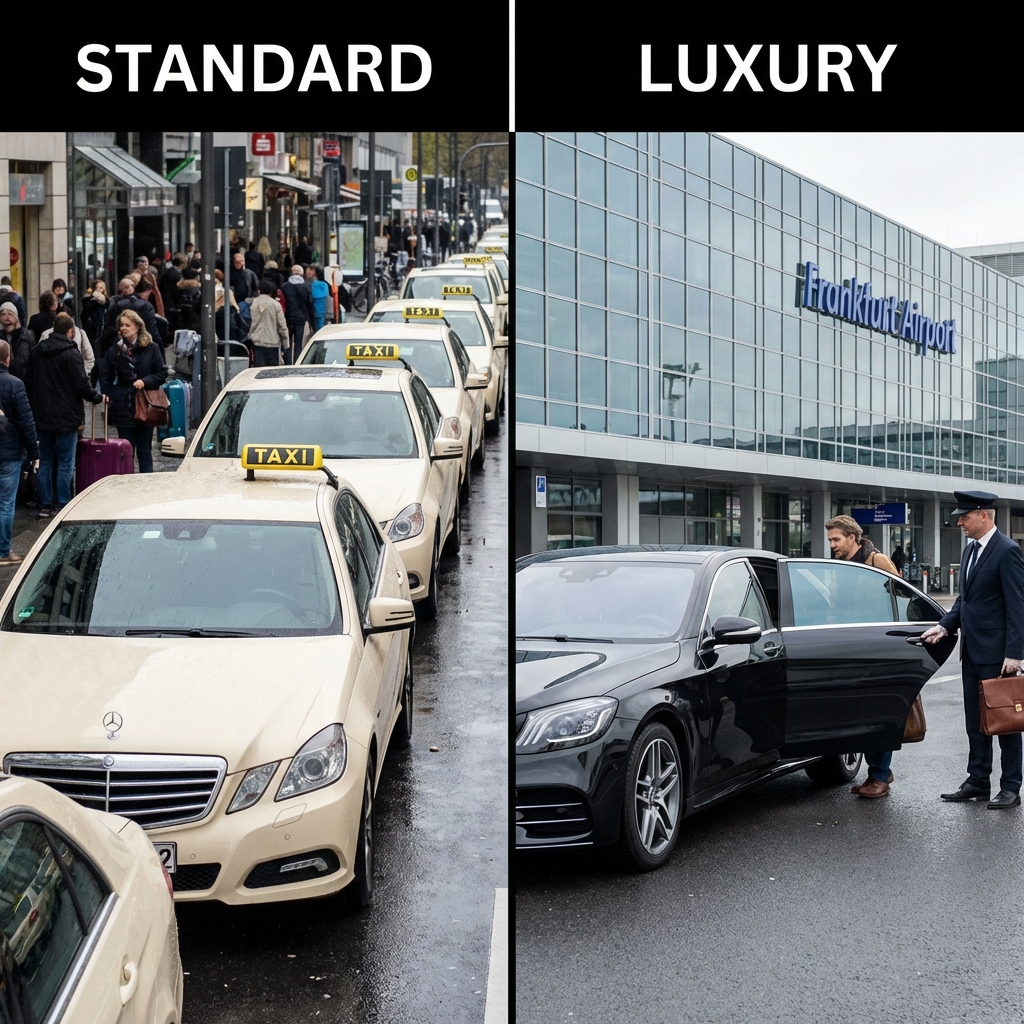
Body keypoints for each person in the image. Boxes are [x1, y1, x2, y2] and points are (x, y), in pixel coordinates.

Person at [922, 491, 1024, 809]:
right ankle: (978, 780)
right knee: (975, 722)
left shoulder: (1007, 551)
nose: (960, 523)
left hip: (997, 654)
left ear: (984, 515)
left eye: (964, 517)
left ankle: (1010, 786)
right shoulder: (970, 552)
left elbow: (1018, 607)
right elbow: (965, 601)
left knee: (1004, 721)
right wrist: (944, 626)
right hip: (971, 651)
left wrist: (1015, 653)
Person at [823, 515, 901, 798]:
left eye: (836, 539)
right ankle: (879, 771)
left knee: (877, 712)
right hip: (851, 647)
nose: (832, 544)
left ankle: (879, 775)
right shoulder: (840, 566)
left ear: (852, 537)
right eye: (830, 539)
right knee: (858, 713)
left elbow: (900, 596)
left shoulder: (876, 561)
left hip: (877, 648)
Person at [24, 312, 106, 517]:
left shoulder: (37, 352)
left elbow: (29, 382)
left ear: (53, 329)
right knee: (65, 463)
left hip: (43, 417)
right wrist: (98, 398)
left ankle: (44, 505)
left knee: (45, 462)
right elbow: (81, 385)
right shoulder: (71, 353)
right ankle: (62, 504)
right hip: (67, 417)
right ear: (71, 331)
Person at [98, 309, 168, 473]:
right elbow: (104, 375)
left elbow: (162, 373)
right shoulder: (115, 350)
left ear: (137, 326)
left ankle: (146, 483)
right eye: (121, 325)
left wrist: (144, 381)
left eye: (127, 325)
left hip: (146, 406)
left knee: (144, 450)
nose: (123, 328)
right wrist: (113, 394)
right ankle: (127, 482)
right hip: (124, 406)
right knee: (125, 451)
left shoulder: (151, 348)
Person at [0, 338, 39, 563]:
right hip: (8, 451)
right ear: (8, 359)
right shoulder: (15, 384)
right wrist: (34, 452)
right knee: (6, 503)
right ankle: (4, 551)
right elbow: (26, 422)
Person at [248, 278, 289, 367]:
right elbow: (282, 326)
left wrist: (250, 336)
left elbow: (252, 323)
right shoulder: (276, 305)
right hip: (272, 343)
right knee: (271, 372)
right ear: (271, 291)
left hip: (257, 341)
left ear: (259, 290)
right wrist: (285, 343)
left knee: (258, 370)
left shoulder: (253, 304)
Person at [281, 264, 313, 363]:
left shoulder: (285, 286)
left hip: (288, 318)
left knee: (287, 342)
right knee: (298, 343)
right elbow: (309, 303)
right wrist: (309, 319)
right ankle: (297, 362)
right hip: (300, 319)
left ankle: (287, 363)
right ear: (302, 274)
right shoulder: (305, 286)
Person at [0, 302, 35, 382]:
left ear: (16, 317)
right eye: (3, 314)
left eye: (10, 314)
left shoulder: (26, 335)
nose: (6, 318)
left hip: (24, 382)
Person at [80, 280, 110, 353]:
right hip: (92, 331)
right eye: (98, 288)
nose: (100, 290)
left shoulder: (106, 301)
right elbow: (85, 314)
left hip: (103, 331)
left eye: (102, 288)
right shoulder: (88, 300)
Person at [311, 267, 329, 331]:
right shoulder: (324, 284)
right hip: (322, 307)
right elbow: (326, 294)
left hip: (313, 306)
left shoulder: (313, 284)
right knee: (320, 322)